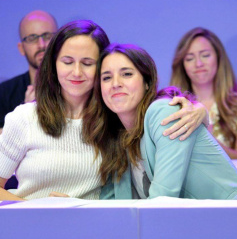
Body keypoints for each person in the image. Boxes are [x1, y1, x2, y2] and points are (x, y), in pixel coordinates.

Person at [0, 20, 207, 201]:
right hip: (30, 227)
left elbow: (158, 110)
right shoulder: (24, 118)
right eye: (67, 62)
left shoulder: (116, 118)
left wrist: (200, 110)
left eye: (88, 63)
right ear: (53, 65)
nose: (77, 72)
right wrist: (37, 208)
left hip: (98, 228)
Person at [88, 43, 237, 200]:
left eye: (126, 74)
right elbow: (114, 205)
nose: (115, 83)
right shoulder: (119, 139)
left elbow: (164, 199)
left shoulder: (163, 111)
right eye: (106, 77)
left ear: (147, 82)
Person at [170, 27, 237, 159]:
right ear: (182, 65)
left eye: (205, 55)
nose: (198, 63)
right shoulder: (172, 105)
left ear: (219, 59)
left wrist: (208, 137)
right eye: (189, 58)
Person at [0, 10, 58, 133]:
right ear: (21, 48)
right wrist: (25, 114)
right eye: (32, 38)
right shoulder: (4, 93)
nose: (41, 45)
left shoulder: (73, 86)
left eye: (47, 36)